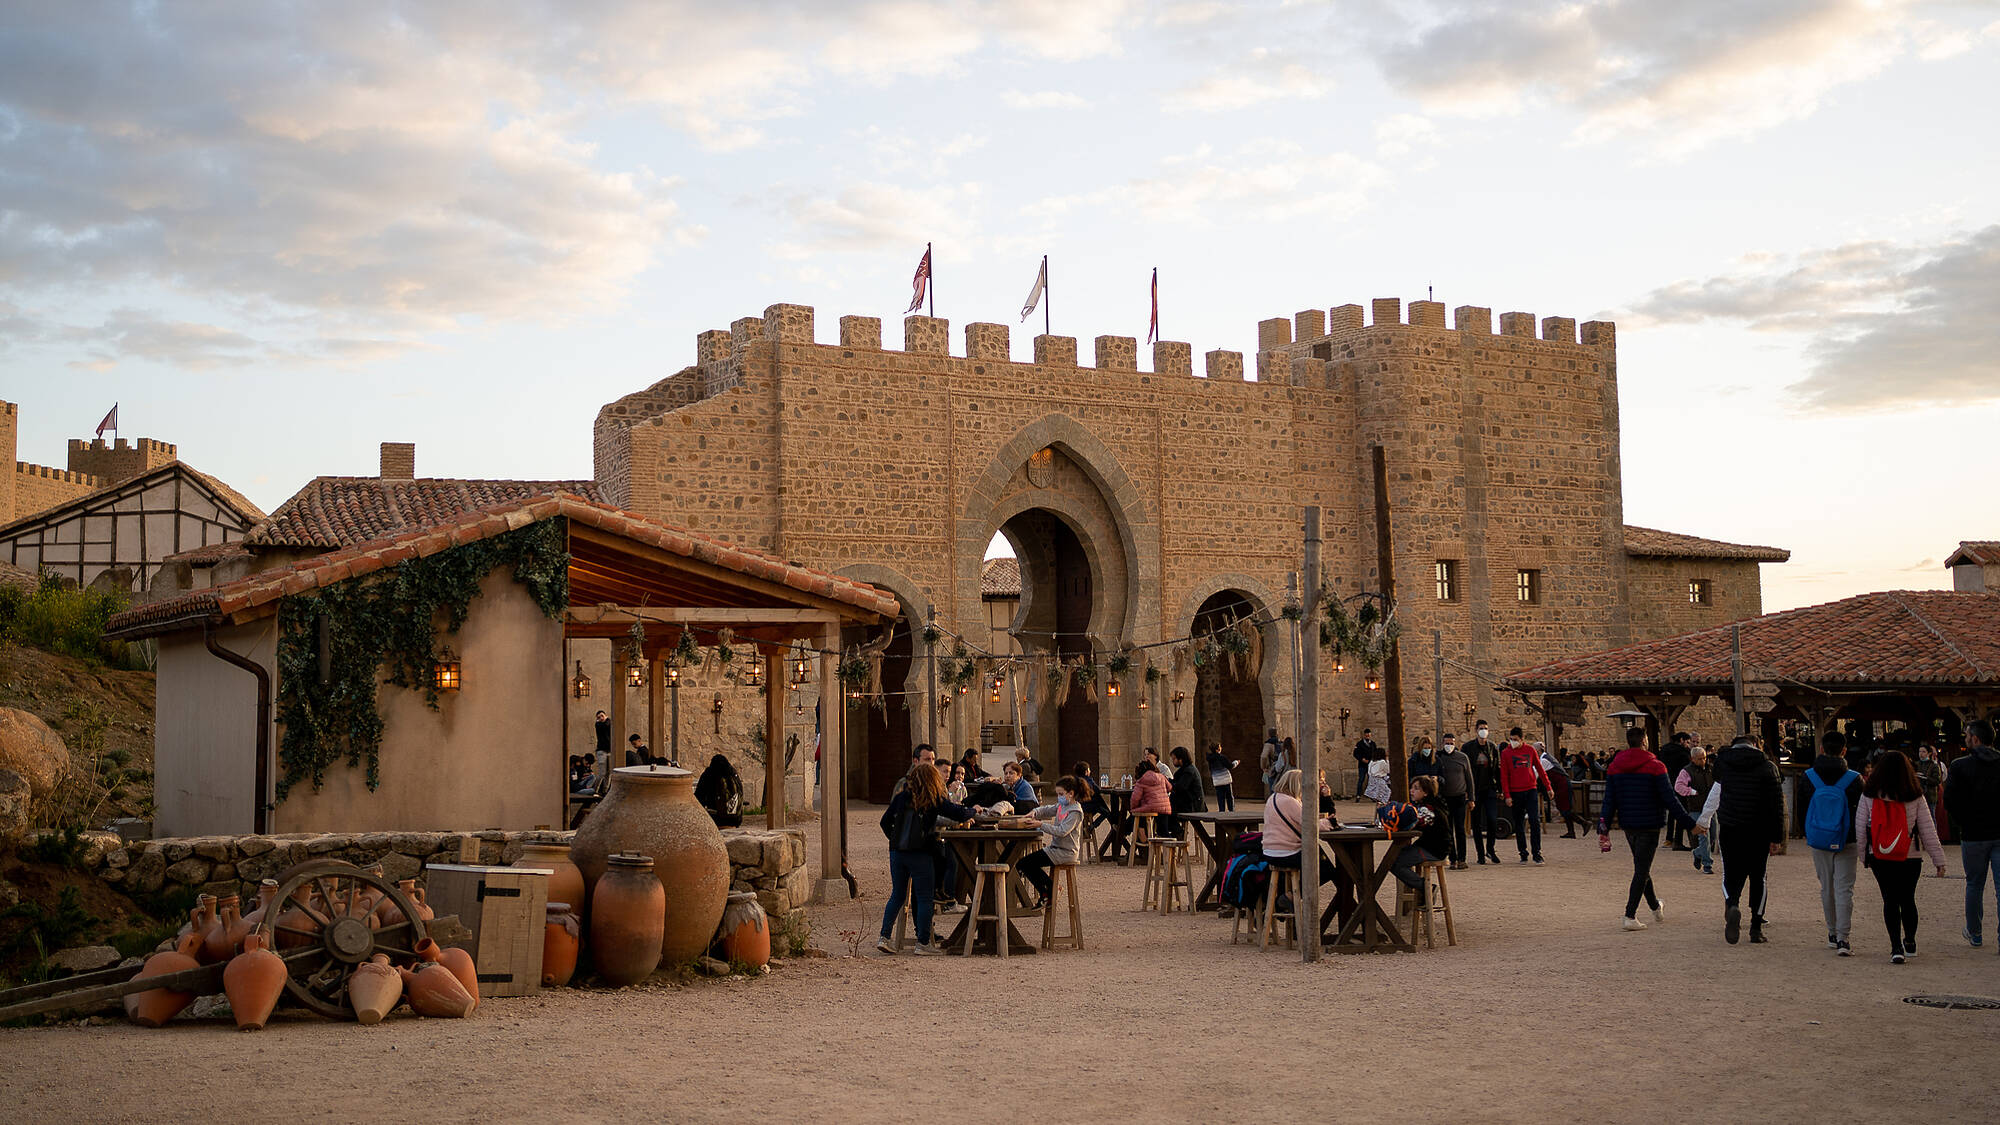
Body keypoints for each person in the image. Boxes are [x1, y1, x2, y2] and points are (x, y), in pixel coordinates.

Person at [1598, 727, 1703, 931]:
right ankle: (1630, 915)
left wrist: (1604, 827)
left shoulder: (1615, 766)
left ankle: (1655, 907)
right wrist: (1691, 825)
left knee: (1641, 867)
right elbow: (1670, 799)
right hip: (1650, 824)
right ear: (1645, 740)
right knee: (1641, 870)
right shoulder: (1656, 766)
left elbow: (1609, 800)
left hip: (1629, 824)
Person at [1857, 750, 1949, 963]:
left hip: (1880, 854)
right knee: (1908, 899)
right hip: (1910, 854)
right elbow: (1927, 829)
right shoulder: (1914, 794)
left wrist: (1863, 856)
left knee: (1889, 900)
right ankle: (1910, 941)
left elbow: (1861, 827)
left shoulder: (1869, 794)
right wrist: (1939, 860)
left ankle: (1895, 947)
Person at [877, 764, 976, 954]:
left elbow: (884, 822)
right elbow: (958, 812)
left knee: (897, 895)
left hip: (897, 852)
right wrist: (974, 810)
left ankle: (884, 936)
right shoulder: (933, 799)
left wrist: (895, 839)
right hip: (920, 852)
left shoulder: (901, 797)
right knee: (924, 897)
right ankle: (923, 942)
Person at [1696, 732, 1786, 944]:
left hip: (1730, 828)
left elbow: (1715, 792)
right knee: (1758, 877)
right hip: (1759, 830)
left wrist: (1705, 819)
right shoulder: (1768, 767)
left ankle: (1733, 903)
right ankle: (1756, 927)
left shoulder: (1722, 765)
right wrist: (1777, 836)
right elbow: (1777, 805)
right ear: (1755, 745)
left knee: (1731, 874)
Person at [1261, 769, 1356, 926]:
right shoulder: (1290, 802)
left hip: (1272, 851)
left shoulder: (1274, 798)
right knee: (1325, 870)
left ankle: (1281, 903)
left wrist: (1325, 801)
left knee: (1319, 858)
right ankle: (1290, 897)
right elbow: (1311, 824)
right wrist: (1329, 822)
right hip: (1287, 852)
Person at [1804, 731, 1863, 955]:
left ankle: (1831, 931)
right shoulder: (1854, 779)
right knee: (1844, 889)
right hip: (1847, 840)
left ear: (1821, 749)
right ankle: (1843, 938)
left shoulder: (1809, 777)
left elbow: (1803, 810)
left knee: (1826, 887)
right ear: (1844, 751)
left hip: (1819, 840)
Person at [1944, 719, 2000, 949]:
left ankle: (1975, 933)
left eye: (1967, 735)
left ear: (1974, 739)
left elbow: (1949, 801)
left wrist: (1962, 823)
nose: (1965, 738)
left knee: (1974, 884)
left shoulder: (1959, 766)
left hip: (1973, 834)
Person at [1018, 779, 1084, 907]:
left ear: (1070, 794)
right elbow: (1048, 809)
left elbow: (1062, 831)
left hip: (1066, 852)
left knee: (1027, 864)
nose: (1059, 797)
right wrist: (1035, 812)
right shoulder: (1062, 806)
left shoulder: (1075, 812)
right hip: (1055, 848)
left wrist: (1040, 825)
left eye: (1061, 794)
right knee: (1024, 863)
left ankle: (1050, 890)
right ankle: (1048, 890)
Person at [1389, 777, 1453, 904]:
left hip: (1434, 849)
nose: (1411, 791)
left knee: (1394, 862)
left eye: (1416, 788)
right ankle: (1424, 888)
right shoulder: (1427, 805)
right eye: (1411, 787)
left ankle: (1426, 887)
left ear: (1426, 792)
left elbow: (1411, 824)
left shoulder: (1428, 809)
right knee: (1397, 855)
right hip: (1429, 845)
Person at [1499, 727, 1552, 864]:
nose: (1513, 742)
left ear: (1522, 739)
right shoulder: (1506, 753)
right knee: (1519, 823)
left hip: (1530, 789)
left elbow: (1540, 769)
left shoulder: (1530, 750)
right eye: (1511, 739)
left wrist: (1548, 787)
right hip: (1515, 792)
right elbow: (1504, 775)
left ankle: (1537, 853)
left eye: (1516, 740)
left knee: (1534, 821)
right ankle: (1523, 852)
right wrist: (1507, 795)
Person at [1433, 733, 1473, 870]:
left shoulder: (1462, 758)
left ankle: (1462, 858)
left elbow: (1469, 778)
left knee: (1460, 829)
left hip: (1460, 797)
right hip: (1445, 798)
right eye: (1446, 743)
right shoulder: (1439, 758)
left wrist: (1471, 798)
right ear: (1442, 744)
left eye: (1451, 743)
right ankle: (1452, 858)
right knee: (1448, 829)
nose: (1449, 746)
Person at [1676, 746, 1717, 874]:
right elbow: (1678, 786)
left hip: (1710, 808)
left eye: (1704, 758)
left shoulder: (1711, 769)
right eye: (1700, 759)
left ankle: (1698, 852)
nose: (1703, 761)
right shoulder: (1686, 771)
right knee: (1704, 837)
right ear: (1693, 759)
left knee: (1713, 836)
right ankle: (1707, 864)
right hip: (1696, 807)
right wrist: (1691, 792)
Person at [1469, 734, 1504, 865]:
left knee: (1492, 819)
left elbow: (1497, 768)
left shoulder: (1492, 747)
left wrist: (1500, 789)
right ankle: (1480, 853)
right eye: (1481, 728)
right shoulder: (1468, 747)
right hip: (1475, 790)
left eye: (1485, 728)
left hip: (1489, 788)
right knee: (1476, 823)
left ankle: (1490, 848)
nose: (1483, 731)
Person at [1659, 733, 1694, 849]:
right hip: (1680, 784)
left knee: (1672, 812)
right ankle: (1678, 840)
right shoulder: (1683, 753)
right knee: (1682, 811)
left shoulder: (1664, 751)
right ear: (1681, 740)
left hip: (1667, 783)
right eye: (1687, 742)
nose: (1688, 745)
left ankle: (1669, 838)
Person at [695, 753, 744, 828]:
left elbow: (699, 798)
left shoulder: (709, 774)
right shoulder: (734, 775)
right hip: (736, 820)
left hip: (717, 820)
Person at [1206, 744, 1239, 811]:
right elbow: (1230, 766)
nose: (1221, 748)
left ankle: (1221, 811)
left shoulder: (1210, 759)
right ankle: (1231, 811)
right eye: (1220, 747)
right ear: (1217, 749)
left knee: (1220, 798)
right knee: (1229, 797)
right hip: (1226, 780)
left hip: (1217, 781)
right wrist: (1236, 762)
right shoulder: (1221, 757)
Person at [1352, 729, 1380, 798]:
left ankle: (1372, 796)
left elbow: (1375, 753)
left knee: (1372, 781)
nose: (1367, 736)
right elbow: (1355, 753)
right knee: (1361, 780)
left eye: (1369, 735)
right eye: (1366, 735)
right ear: (1364, 735)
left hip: (1371, 765)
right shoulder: (1359, 744)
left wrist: (1373, 760)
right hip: (1362, 765)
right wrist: (1362, 759)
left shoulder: (1373, 744)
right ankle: (1358, 795)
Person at [1261, 728, 1285, 794]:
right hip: (1282, 769)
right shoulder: (1282, 743)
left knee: (1273, 790)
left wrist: (1264, 767)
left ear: (1268, 734)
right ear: (1277, 734)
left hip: (1272, 769)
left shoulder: (1268, 744)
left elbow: (1264, 757)